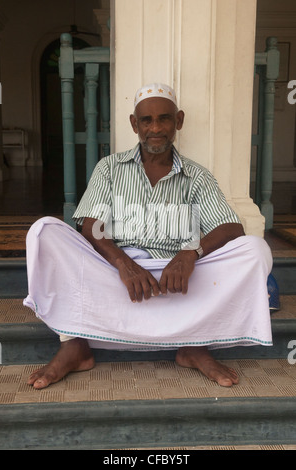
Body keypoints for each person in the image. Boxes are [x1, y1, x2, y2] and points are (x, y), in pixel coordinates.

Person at [23, 83, 273, 390]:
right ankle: (75, 344)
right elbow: (92, 226)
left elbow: (231, 228)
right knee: (45, 231)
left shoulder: (197, 176)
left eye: (164, 118)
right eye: (146, 120)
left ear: (178, 121)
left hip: (177, 277)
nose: (155, 128)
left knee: (255, 249)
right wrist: (124, 264)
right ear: (134, 124)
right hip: (118, 276)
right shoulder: (110, 169)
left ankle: (194, 345)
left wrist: (190, 254)